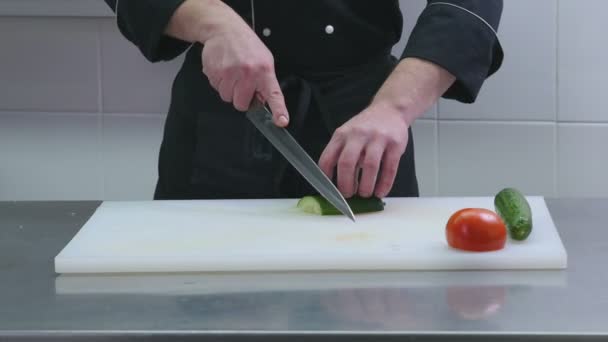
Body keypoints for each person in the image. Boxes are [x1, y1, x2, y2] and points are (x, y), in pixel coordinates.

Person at [103, 0, 503, 200]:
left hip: (364, 126)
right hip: (224, 117)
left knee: (373, 309)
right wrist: (211, 19)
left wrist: (393, 109)